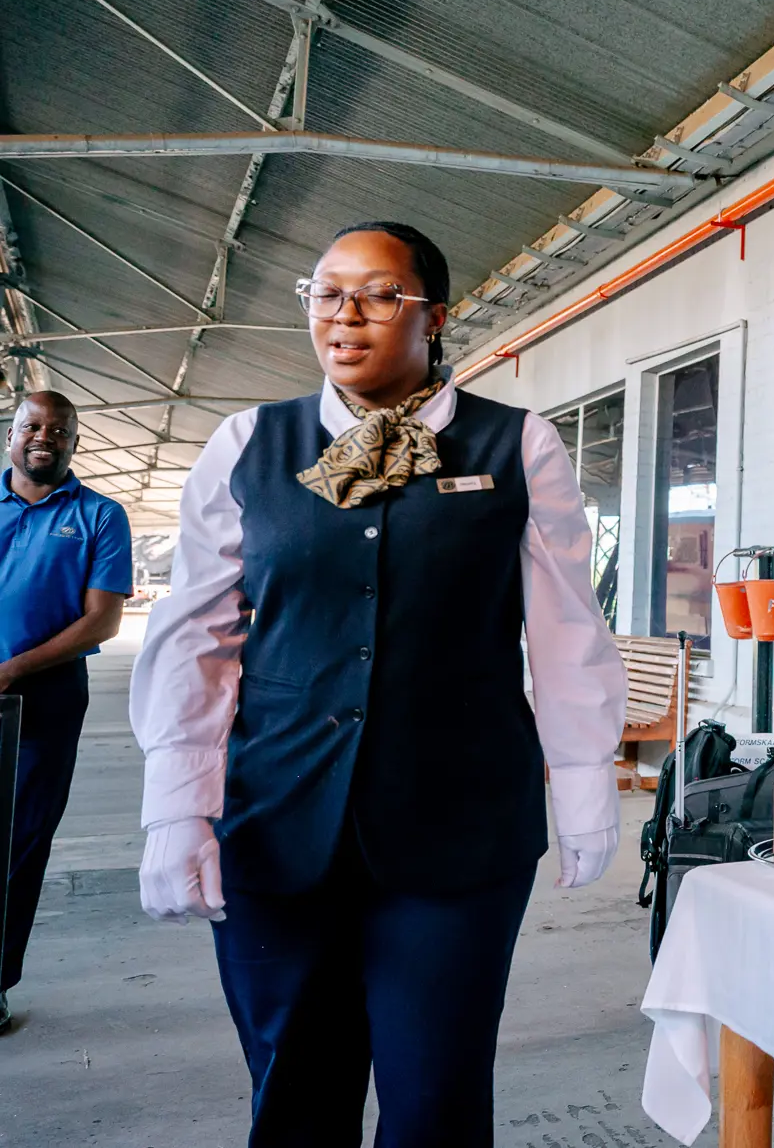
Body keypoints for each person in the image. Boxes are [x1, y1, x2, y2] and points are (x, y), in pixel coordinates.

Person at [129, 223, 628, 1147]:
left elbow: (566, 632)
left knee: (435, 1102)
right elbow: (197, 634)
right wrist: (176, 806)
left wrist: (589, 786)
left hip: (460, 830)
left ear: (434, 316)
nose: (344, 313)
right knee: (294, 1095)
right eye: (325, 292)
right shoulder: (248, 442)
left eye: (377, 293)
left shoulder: (518, 445)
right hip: (277, 820)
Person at [0, 390, 132, 1035]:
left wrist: (13, 670)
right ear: (11, 435)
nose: (43, 436)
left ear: (76, 444)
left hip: (45, 699)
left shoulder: (100, 515)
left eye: (59, 429)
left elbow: (101, 619)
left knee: (20, 843)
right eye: (32, 425)